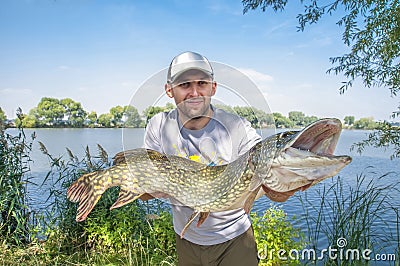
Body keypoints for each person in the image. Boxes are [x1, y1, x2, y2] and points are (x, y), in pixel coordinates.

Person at [141, 51, 293, 265]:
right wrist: (144, 187)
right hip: (185, 240)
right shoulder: (158, 125)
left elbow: (274, 188)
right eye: (184, 85)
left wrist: (289, 184)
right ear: (169, 90)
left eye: (202, 83)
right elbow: (143, 195)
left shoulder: (237, 126)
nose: (194, 92)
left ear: (213, 87)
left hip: (235, 241)